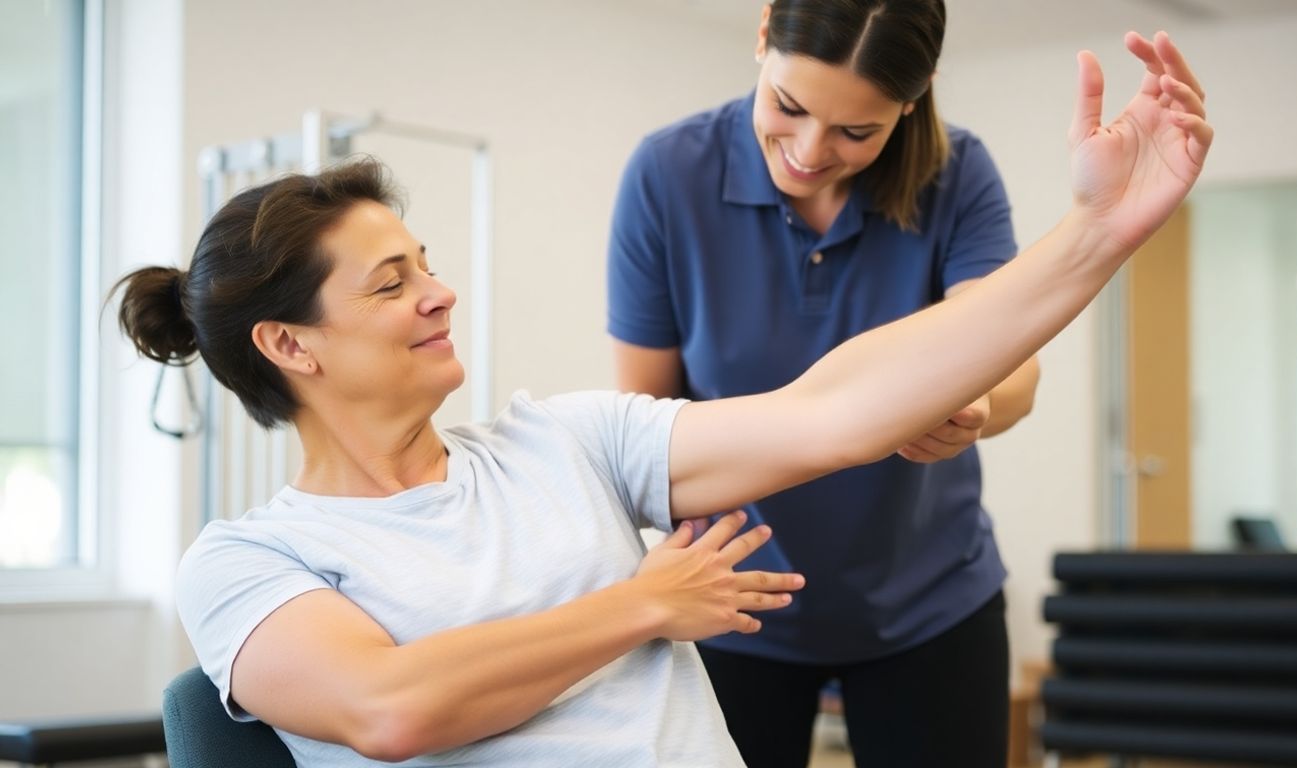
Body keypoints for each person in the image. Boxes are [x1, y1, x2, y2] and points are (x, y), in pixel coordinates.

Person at [112, 24, 1209, 766]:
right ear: (289, 346)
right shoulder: (248, 562)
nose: (443, 294)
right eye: (394, 283)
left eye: (427, 262)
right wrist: (640, 604)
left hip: (917, 602)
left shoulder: (565, 441)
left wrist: (1098, 235)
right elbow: (390, 708)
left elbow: (837, 412)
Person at [606, 2, 1207, 764]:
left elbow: (1012, 360)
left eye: (857, 131)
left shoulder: (956, 172)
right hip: (732, 600)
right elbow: (649, 425)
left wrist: (976, 401)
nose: (809, 152)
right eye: (787, 107)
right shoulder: (668, 174)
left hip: (927, 602)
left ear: (911, 99)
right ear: (762, 38)